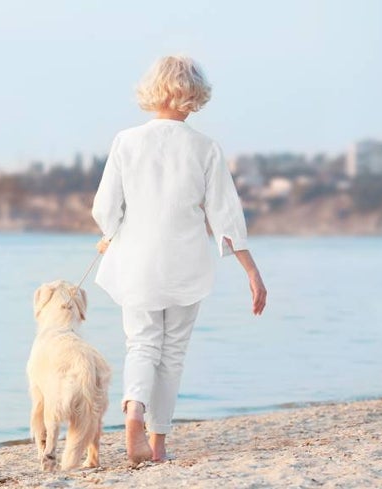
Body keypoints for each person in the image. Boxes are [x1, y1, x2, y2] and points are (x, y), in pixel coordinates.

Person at [91, 55, 267, 464]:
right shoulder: (206, 148)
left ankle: (133, 410)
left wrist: (110, 234)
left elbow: (105, 208)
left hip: (137, 260)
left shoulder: (126, 141)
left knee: (142, 343)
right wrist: (252, 272)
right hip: (186, 261)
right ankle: (158, 444)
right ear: (194, 94)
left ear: (153, 89)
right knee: (172, 353)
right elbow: (225, 216)